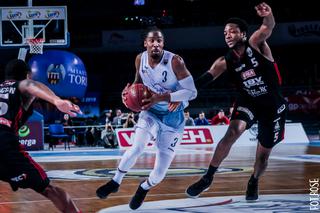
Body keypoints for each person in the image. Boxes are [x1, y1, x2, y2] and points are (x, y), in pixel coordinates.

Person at [186, 2, 287, 201]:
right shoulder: (224, 60)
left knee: (263, 154)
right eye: (225, 33)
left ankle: (254, 180)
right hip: (248, 100)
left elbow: (268, 26)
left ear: (242, 34)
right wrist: (181, 95)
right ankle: (207, 177)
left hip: (272, 105)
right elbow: (205, 79)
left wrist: (269, 14)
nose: (228, 35)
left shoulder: (256, 43)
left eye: (232, 31)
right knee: (233, 131)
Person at [96, 27, 197, 210]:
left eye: (159, 41)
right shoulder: (139, 59)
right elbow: (137, 82)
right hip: (150, 113)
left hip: (173, 120)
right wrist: (128, 93)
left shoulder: (175, 61)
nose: (155, 44)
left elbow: (192, 92)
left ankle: (143, 188)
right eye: (152, 41)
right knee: (136, 147)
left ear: (163, 44)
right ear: (146, 44)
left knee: (159, 174)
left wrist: (168, 97)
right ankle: (115, 181)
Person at [0, 59, 81, 213]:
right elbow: (31, 86)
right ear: (27, 75)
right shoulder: (21, 85)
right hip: (4, 142)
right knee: (48, 189)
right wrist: (56, 100)